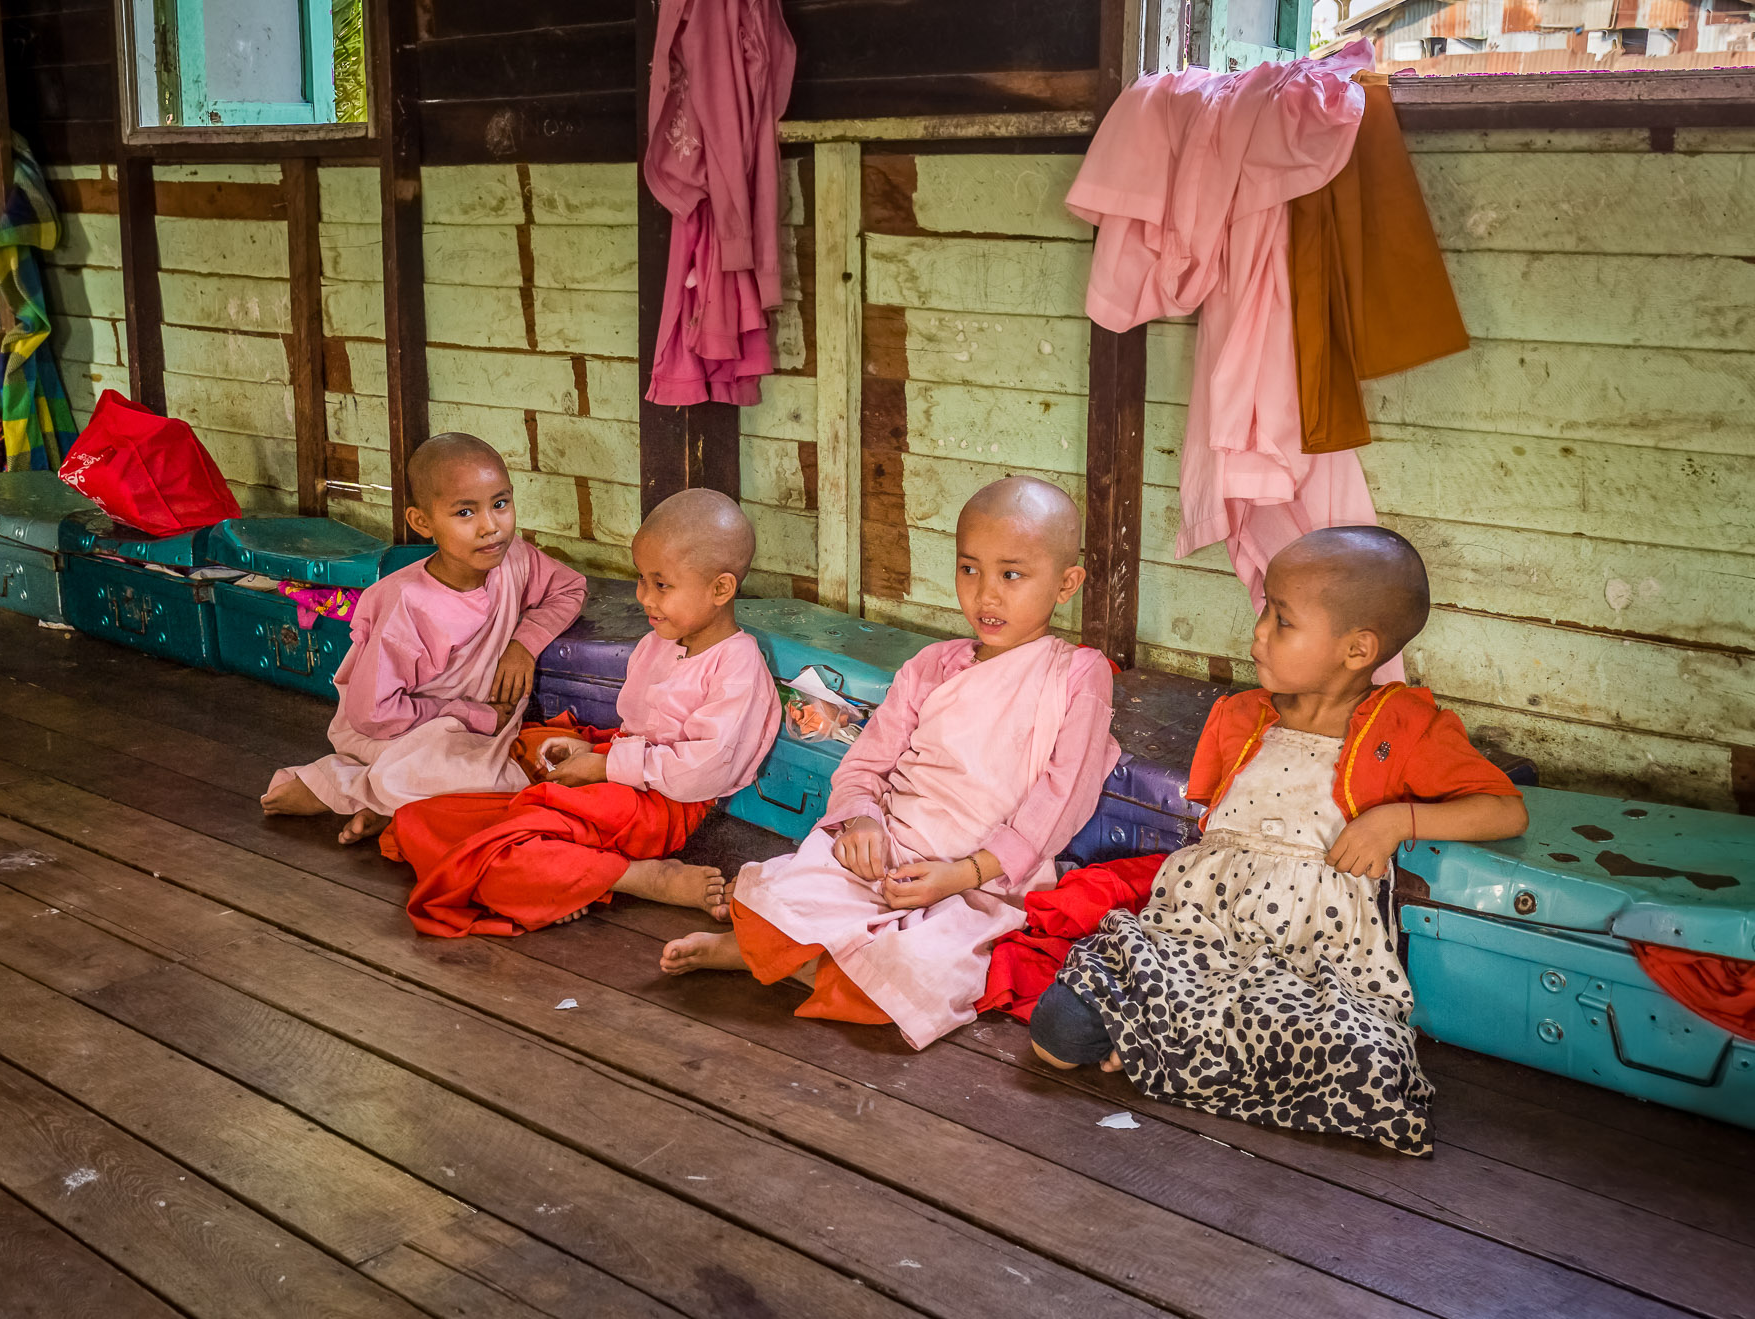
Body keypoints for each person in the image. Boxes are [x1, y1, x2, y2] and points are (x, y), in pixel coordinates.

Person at [1032, 526, 1528, 1157]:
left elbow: (1504, 810)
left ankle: (1163, 1051)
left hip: (1308, 967)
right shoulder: (1239, 716)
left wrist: (1394, 820)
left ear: (1357, 649)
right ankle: (1178, 1048)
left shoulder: (1403, 729)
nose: (1258, 630)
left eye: (1282, 619)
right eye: (1265, 609)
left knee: (1364, 1066)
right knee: (1055, 1033)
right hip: (1193, 939)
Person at [661, 477, 1119, 1051]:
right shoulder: (931, 666)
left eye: (1012, 574)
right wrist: (860, 821)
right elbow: (864, 763)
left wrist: (965, 874)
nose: (986, 596)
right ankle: (775, 952)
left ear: (1066, 584)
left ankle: (791, 963)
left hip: (980, 882)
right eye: (969, 569)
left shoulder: (1078, 675)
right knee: (764, 900)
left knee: (919, 977)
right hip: (889, 851)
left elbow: (1062, 799)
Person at [392, 488, 780, 937]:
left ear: (721, 588)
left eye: (661, 585)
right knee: (416, 820)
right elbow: (638, 729)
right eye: (641, 579)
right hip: (621, 780)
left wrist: (604, 766)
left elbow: (701, 773)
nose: (644, 598)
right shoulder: (662, 640)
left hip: (661, 807)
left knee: (498, 855)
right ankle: (571, 879)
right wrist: (588, 750)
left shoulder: (738, 665)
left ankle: (639, 878)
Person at [260, 433, 586, 844]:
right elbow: (372, 715)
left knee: (529, 772)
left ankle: (389, 806)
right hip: (399, 734)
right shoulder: (407, 606)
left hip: (473, 730)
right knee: (495, 782)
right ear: (423, 522)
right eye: (465, 512)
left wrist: (524, 644)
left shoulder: (514, 557)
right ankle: (337, 786)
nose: (491, 527)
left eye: (500, 504)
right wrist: (473, 715)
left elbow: (570, 588)